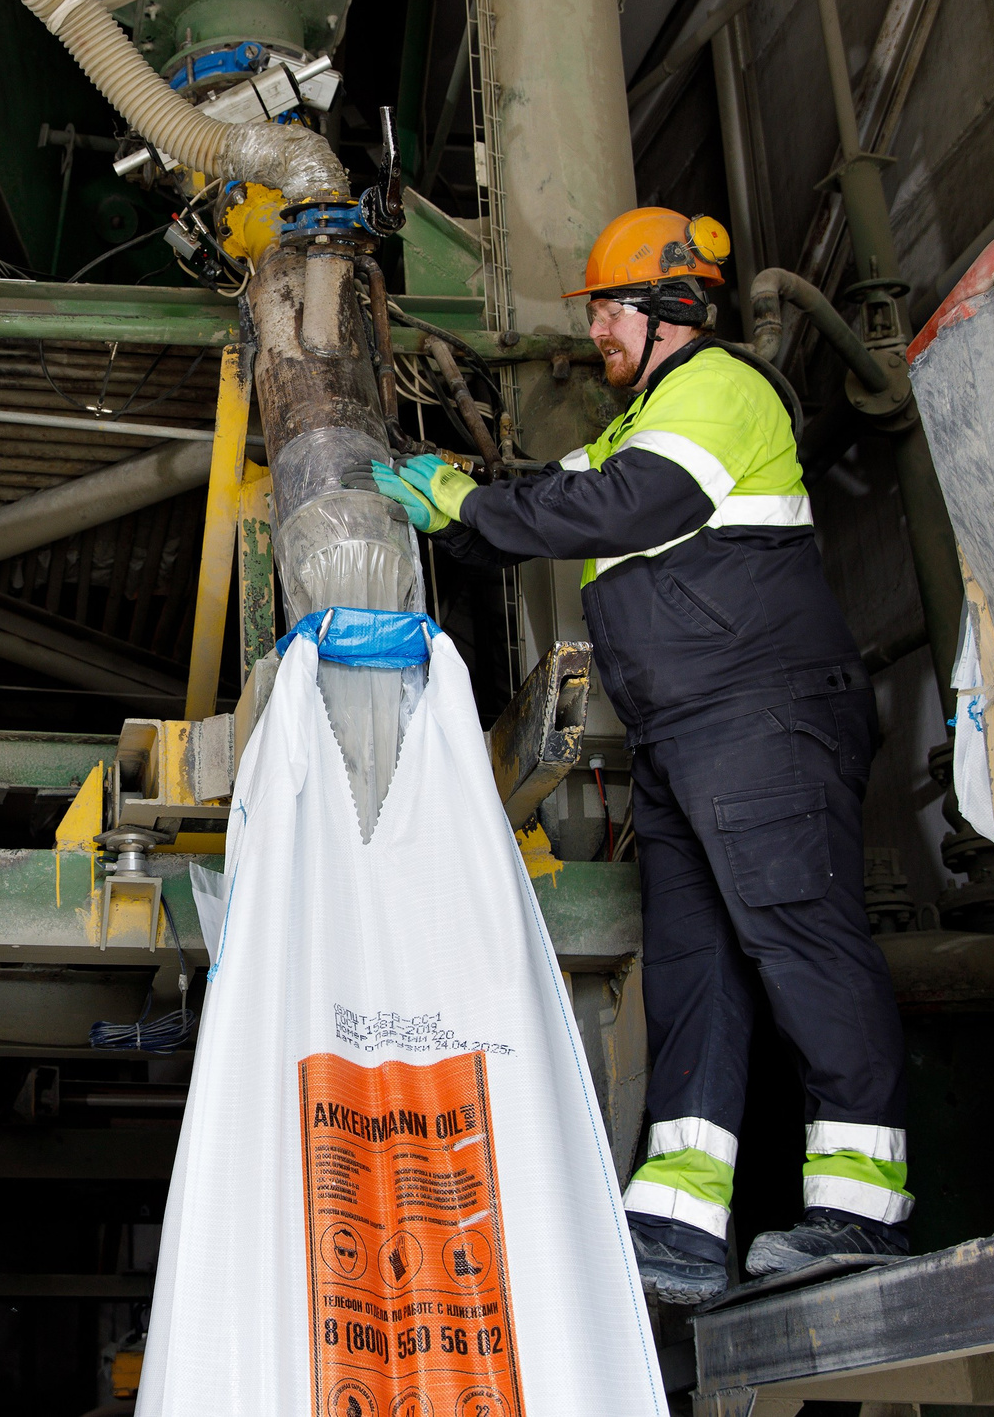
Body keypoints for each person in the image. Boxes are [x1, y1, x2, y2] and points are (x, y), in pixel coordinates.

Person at [362, 206, 911, 1306]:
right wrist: (445, 505)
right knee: (694, 969)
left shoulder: (723, 389)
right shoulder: (639, 423)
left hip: (761, 715)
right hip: (685, 734)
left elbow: (623, 505)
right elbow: (547, 497)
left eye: (610, 308)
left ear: (670, 309)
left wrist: (472, 500)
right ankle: (679, 1224)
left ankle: (863, 1207)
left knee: (800, 941)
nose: (597, 330)